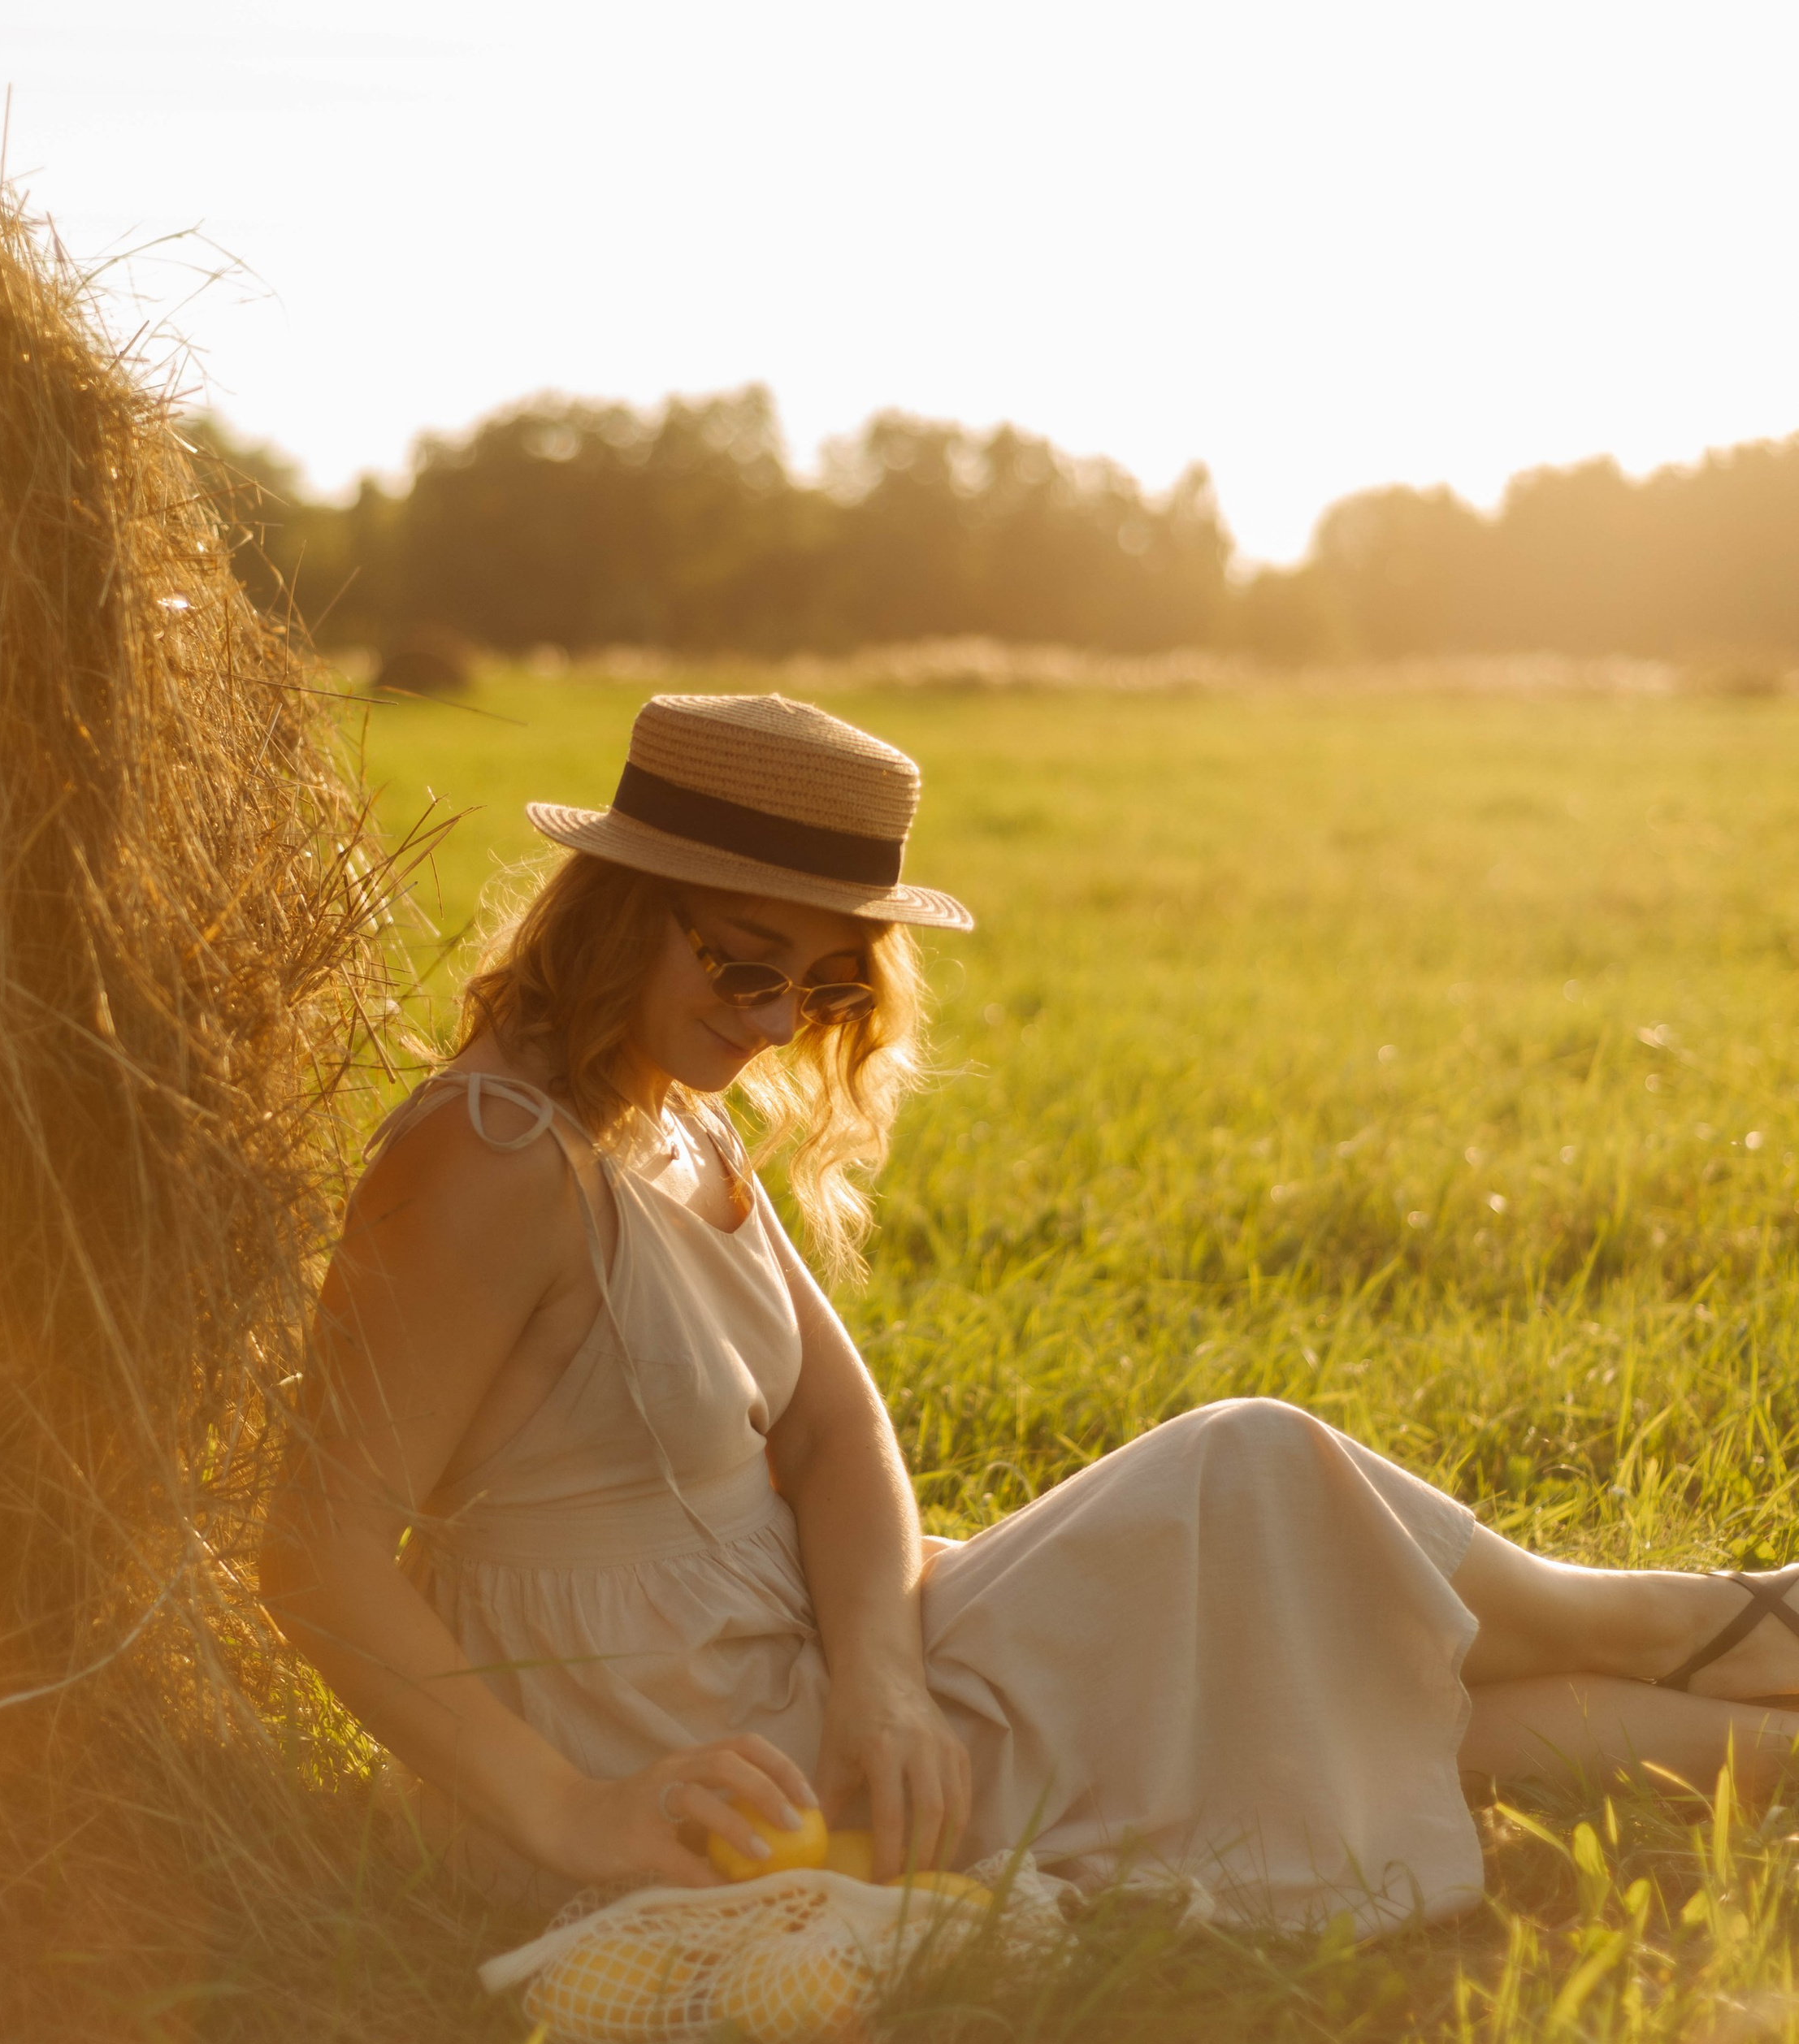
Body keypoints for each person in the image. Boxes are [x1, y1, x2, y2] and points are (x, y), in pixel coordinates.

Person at [262, 691, 1799, 1934]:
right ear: (619, 912)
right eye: (743, 965)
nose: (774, 1024)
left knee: (1299, 1669)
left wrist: (881, 1675)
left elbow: (832, 1422)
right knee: (1249, 1485)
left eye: (820, 987)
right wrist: (565, 1811)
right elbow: (315, 1554)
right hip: (667, 1748)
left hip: (816, 1663)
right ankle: (1705, 1621)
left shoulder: (670, 1115)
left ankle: (1764, 1719)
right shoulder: (488, 1156)